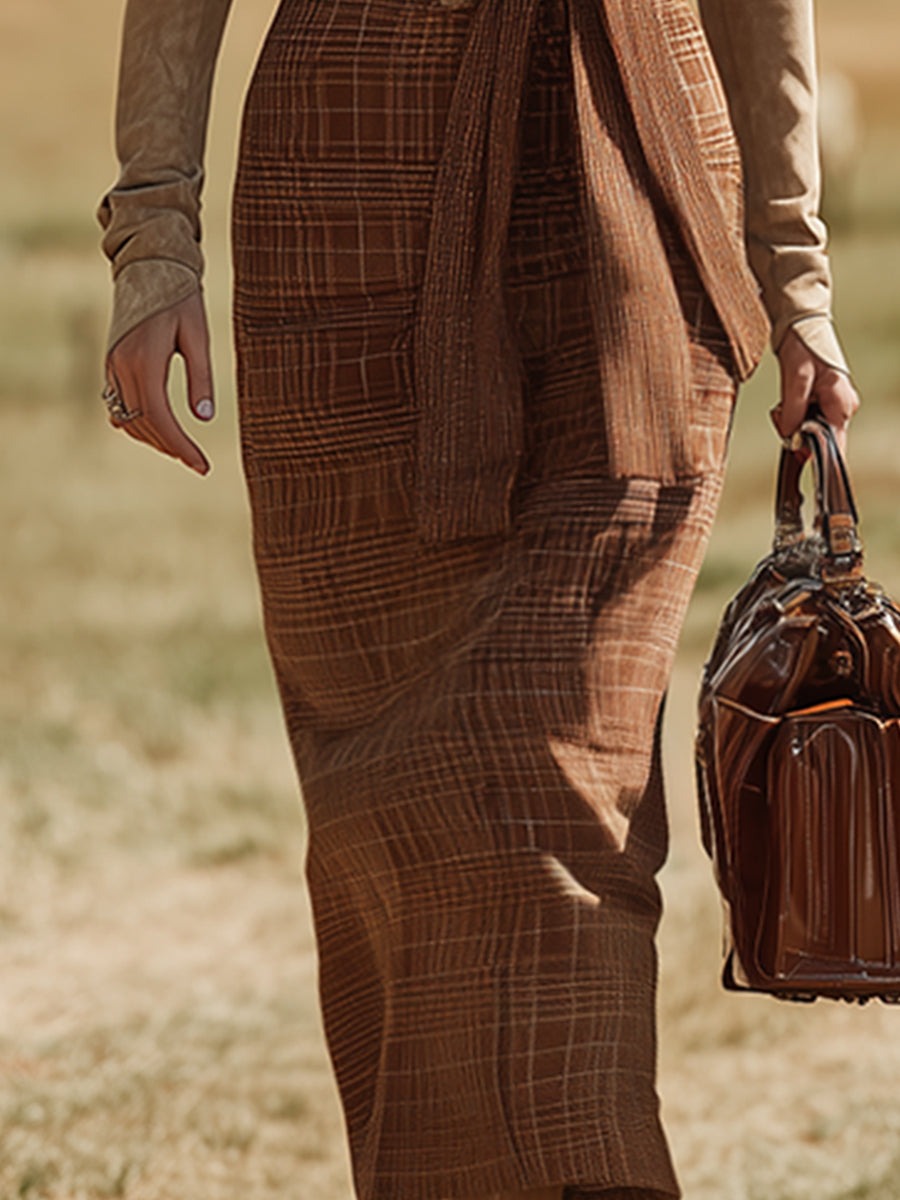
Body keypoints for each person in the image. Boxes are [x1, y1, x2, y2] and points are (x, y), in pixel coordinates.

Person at [97, 1, 860, 1198]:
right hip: (346, 189)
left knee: (560, 777)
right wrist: (153, 238)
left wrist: (796, 276)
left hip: (636, 192)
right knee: (387, 812)